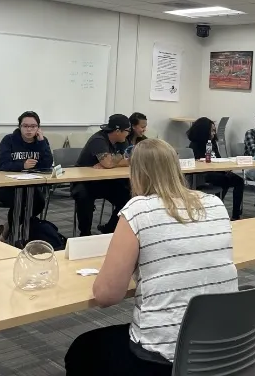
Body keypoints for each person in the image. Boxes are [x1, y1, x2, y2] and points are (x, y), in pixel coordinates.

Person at [65, 139, 238, 376]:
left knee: (82, 350)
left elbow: (107, 296)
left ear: (136, 172)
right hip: (226, 345)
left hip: (165, 357)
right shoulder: (215, 203)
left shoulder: (138, 209)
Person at [0, 111, 53, 240]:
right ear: (19, 127)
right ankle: (14, 236)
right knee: (23, 201)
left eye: (33, 126)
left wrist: (42, 142)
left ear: (38, 128)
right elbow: (0, 165)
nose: (29, 129)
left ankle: (10, 230)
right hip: (5, 186)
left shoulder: (42, 141)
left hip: (30, 185)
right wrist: (22, 165)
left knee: (38, 202)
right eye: (25, 126)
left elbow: (47, 165)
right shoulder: (9, 140)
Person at [72, 114, 133, 236]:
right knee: (84, 197)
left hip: (107, 180)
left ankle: (110, 228)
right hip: (84, 181)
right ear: (117, 131)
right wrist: (113, 161)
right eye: (127, 131)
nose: (128, 134)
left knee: (128, 197)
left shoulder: (123, 141)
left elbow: (130, 159)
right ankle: (85, 234)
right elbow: (109, 162)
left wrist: (110, 161)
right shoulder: (98, 140)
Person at [187, 116, 245, 220]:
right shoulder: (195, 145)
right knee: (225, 180)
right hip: (203, 174)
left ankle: (236, 215)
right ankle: (215, 206)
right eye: (212, 131)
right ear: (204, 131)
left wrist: (225, 168)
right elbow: (198, 164)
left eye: (215, 131)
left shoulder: (212, 143)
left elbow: (218, 158)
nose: (214, 133)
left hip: (216, 171)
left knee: (239, 181)